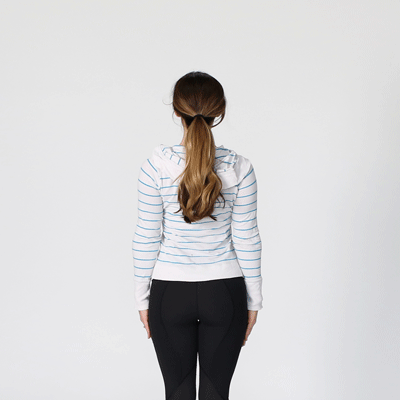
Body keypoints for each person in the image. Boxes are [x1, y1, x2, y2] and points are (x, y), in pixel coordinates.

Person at [132, 71, 263, 400]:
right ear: (219, 112)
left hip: (169, 293)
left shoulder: (155, 166)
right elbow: (247, 238)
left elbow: (146, 236)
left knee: (177, 394)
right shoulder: (240, 168)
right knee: (216, 394)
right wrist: (253, 302)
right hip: (225, 293)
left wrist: (142, 299)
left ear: (176, 111)